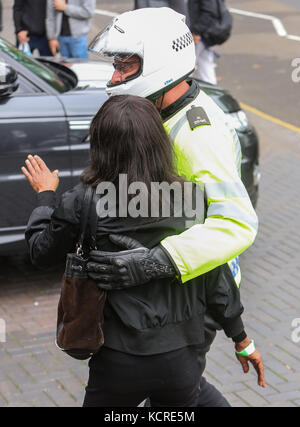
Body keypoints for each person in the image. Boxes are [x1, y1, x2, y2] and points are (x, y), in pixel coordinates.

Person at [22, 95, 265, 407]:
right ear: (158, 142)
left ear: (101, 145)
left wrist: (45, 196)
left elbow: (40, 253)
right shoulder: (190, 200)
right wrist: (242, 340)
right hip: (182, 360)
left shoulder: (83, 200)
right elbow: (215, 278)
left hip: (118, 363)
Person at [87, 7, 258, 406]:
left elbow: (236, 223)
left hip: (197, 292)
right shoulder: (165, 111)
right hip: (180, 287)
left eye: (125, 66)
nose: (114, 78)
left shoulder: (197, 136)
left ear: (160, 63)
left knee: (178, 393)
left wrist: (156, 261)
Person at [188, 0, 233, 85]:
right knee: (205, 63)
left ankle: (184, 92)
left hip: (201, 34)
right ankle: (211, 90)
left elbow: (209, 13)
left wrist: (196, 31)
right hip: (206, 34)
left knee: (188, 65)